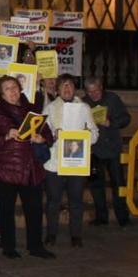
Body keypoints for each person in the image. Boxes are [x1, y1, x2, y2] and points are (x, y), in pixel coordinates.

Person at [0, 75, 55, 260]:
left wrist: (43, 138)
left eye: (14, 87)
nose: (13, 91)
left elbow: (47, 132)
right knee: (7, 210)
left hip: (31, 168)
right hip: (7, 168)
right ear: (1, 93)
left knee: (35, 209)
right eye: (7, 88)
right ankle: (8, 246)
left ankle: (35, 246)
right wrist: (6, 136)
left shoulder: (31, 109)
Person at [42, 74, 99, 248]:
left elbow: (95, 134)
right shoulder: (50, 108)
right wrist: (53, 135)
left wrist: (84, 136)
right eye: (63, 86)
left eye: (70, 86)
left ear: (75, 89)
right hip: (54, 163)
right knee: (53, 201)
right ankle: (51, 234)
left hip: (76, 163)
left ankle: (76, 235)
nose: (67, 89)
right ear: (57, 90)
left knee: (76, 201)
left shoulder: (84, 108)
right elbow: (41, 133)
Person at [82, 76, 132, 227]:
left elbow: (126, 118)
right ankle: (101, 217)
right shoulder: (84, 103)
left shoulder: (112, 98)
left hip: (112, 149)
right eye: (90, 92)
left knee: (118, 184)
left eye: (96, 91)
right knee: (96, 186)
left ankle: (123, 218)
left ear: (101, 87)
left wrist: (111, 123)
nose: (94, 95)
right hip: (94, 150)